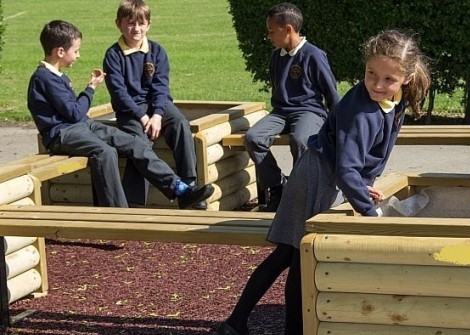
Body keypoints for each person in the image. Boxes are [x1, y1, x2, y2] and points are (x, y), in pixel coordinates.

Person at [217, 29, 430, 335]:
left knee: (290, 255)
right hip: (314, 176)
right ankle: (255, 325)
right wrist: (371, 216)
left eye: (388, 79)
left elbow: (356, 160)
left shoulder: (392, 99)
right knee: (296, 255)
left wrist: (361, 181)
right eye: (371, 74)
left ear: (406, 78)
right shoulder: (362, 111)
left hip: (326, 174)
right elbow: (345, 167)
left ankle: (236, 323)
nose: (378, 84)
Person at [27, 20, 214, 209]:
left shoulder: (57, 76)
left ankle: (181, 189)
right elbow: (75, 113)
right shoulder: (44, 78)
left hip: (82, 126)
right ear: (60, 52)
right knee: (105, 153)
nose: (78, 55)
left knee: (134, 143)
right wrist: (90, 88)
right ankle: (118, 212)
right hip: (62, 134)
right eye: (75, 51)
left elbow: (75, 113)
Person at [103, 0, 205, 209]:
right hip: (130, 111)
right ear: (118, 24)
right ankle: (134, 202)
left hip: (157, 105)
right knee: (138, 144)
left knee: (179, 124)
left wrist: (157, 115)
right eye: (130, 23)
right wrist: (142, 117)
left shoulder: (157, 51)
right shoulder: (113, 55)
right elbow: (119, 93)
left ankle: (189, 185)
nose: (136, 29)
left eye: (141, 23)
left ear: (149, 24)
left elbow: (161, 87)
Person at [244, 2, 340, 212]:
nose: (269, 36)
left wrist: (338, 125)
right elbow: (277, 88)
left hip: (309, 111)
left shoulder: (313, 55)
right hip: (280, 113)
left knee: (301, 140)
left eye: (271, 31)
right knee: (253, 138)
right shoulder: (275, 56)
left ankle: (301, 194)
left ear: (288, 29)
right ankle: (278, 186)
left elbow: (331, 93)